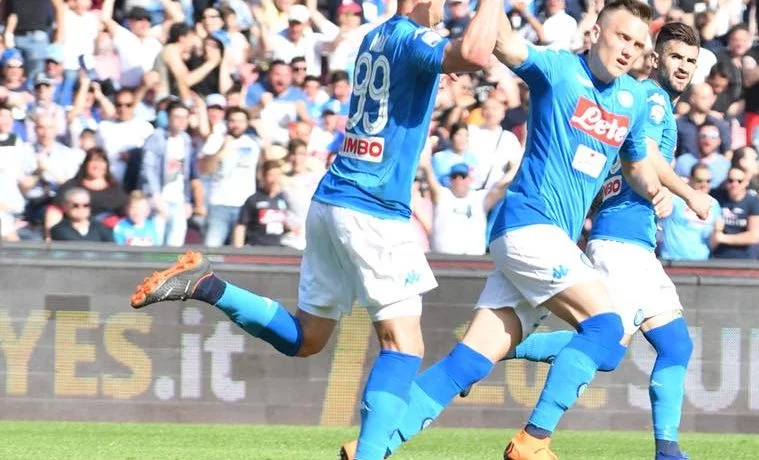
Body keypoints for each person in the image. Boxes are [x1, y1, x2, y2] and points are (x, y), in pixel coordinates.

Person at [128, 0, 504, 458]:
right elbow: (476, 53)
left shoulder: (376, 36)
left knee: (308, 338)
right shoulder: (413, 37)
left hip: (331, 200)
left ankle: (207, 285)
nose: (447, 8)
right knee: (403, 345)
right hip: (373, 209)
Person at [344, 2, 673, 459]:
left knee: (468, 362)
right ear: (596, 32)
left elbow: (636, 165)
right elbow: (502, 42)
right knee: (605, 327)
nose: (628, 50)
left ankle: (371, 446)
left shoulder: (633, 99)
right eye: (622, 37)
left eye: (638, 44)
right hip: (530, 225)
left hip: (546, 238)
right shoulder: (558, 69)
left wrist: (657, 191)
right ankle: (533, 441)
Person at [507, 22, 712, 460]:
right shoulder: (652, 99)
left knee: (674, 345)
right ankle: (520, 399)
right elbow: (647, 156)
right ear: (655, 58)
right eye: (675, 57)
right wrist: (687, 192)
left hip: (636, 244)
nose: (683, 67)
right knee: (604, 348)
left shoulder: (642, 101)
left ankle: (668, 451)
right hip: (621, 244)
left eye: (690, 61)